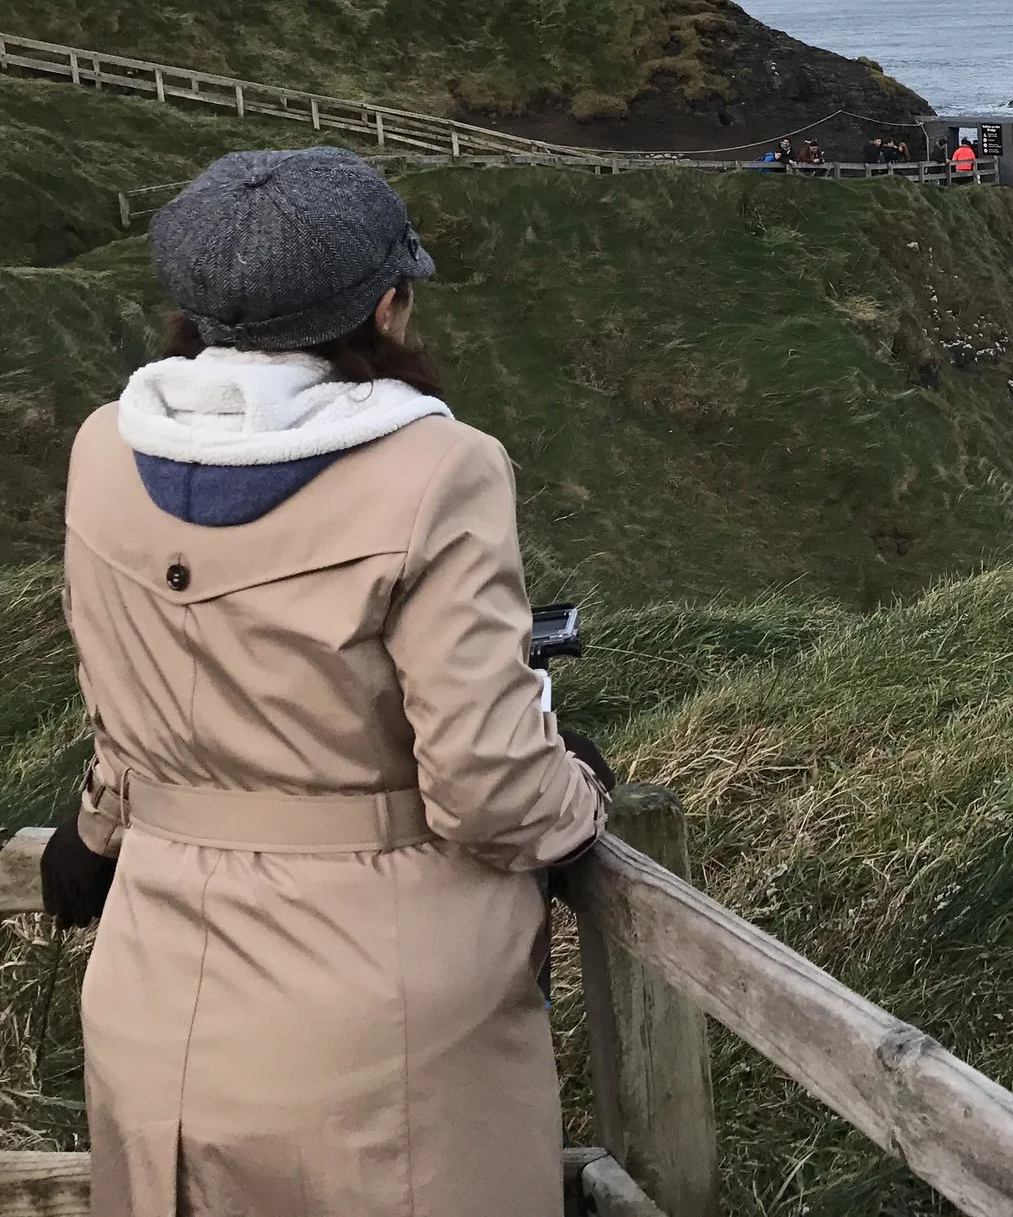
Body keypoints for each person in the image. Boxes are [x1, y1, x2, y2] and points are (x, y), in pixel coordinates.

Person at [39, 147, 610, 1217]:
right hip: (377, 1019)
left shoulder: (100, 449)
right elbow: (490, 788)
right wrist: (577, 792)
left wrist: (100, 830)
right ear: (386, 307)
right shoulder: (438, 470)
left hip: (154, 986)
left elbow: (123, 710)